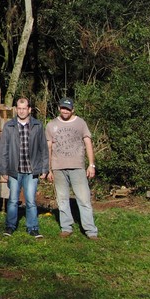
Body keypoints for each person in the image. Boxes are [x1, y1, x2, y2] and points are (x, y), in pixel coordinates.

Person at [46, 97, 99, 239]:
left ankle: (90, 230)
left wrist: (91, 165)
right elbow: (49, 147)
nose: (65, 111)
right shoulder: (51, 125)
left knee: (84, 199)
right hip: (58, 168)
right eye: (63, 108)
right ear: (59, 108)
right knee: (62, 199)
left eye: (68, 109)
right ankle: (66, 227)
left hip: (77, 167)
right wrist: (49, 169)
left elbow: (88, 143)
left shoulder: (80, 123)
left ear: (73, 109)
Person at [0, 97, 49, 238]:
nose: (21, 111)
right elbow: (3, 150)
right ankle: (10, 226)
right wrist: (3, 169)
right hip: (14, 170)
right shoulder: (9, 126)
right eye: (19, 108)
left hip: (31, 170)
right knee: (13, 200)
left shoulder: (37, 126)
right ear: (16, 109)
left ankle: (32, 227)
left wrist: (44, 169)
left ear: (29, 109)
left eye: (24, 108)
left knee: (31, 201)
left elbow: (43, 148)